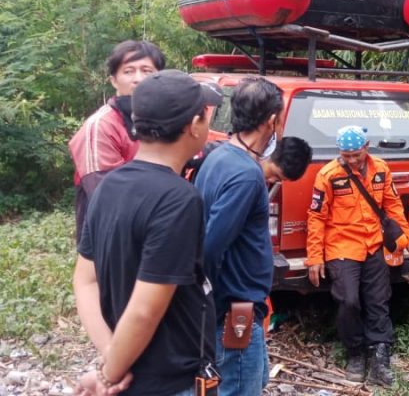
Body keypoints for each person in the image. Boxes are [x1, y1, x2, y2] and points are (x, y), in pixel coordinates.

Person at [73, 70, 222, 396]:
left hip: (130, 370)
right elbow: (145, 310)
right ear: (193, 125)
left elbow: (86, 280)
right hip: (171, 380)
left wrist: (111, 357)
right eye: (206, 115)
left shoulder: (109, 184)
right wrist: (109, 374)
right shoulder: (178, 199)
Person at [305, 126, 409, 386]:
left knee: (379, 300)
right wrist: (315, 257)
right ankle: (355, 353)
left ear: (366, 147)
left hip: (374, 244)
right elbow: (316, 217)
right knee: (348, 300)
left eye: (356, 155)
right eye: (347, 156)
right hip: (342, 246)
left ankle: (380, 357)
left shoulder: (380, 168)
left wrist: (408, 239)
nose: (353, 160)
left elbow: (392, 206)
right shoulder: (328, 174)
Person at [195, 76, 283, 395]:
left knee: (254, 380)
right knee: (241, 387)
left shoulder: (218, 156)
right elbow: (211, 245)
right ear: (272, 121)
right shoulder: (246, 176)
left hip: (239, 304)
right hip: (236, 307)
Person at [68, 40, 166, 240]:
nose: (138, 79)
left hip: (152, 229)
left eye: (147, 70)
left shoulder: (164, 119)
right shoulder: (101, 126)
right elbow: (104, 192)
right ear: (113, 80)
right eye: (128, 71)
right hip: (110, 234)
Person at [185, 136, 312, 185]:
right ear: (267, 153)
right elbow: (179, 159)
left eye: (279, 180)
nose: (272, 180)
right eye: (274, 174)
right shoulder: (222, 153)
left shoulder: (257, 183)